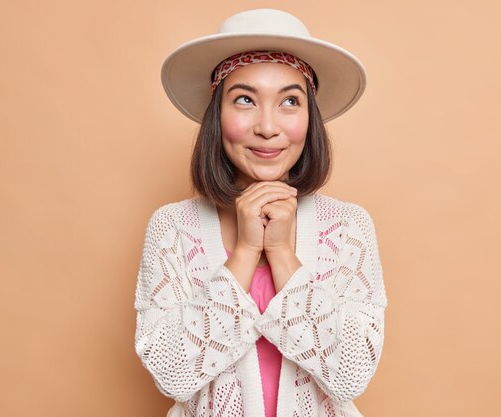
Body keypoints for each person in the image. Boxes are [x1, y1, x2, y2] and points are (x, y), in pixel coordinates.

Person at [134, 8, 388, 417]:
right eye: (245, 100)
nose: (268, 127)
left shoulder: (347, 227)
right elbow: (175, 376)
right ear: (217, 115)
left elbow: (350, 378)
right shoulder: (172, 227)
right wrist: (248, 250)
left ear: (310, 119)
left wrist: (283, 254)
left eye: (290, 101)